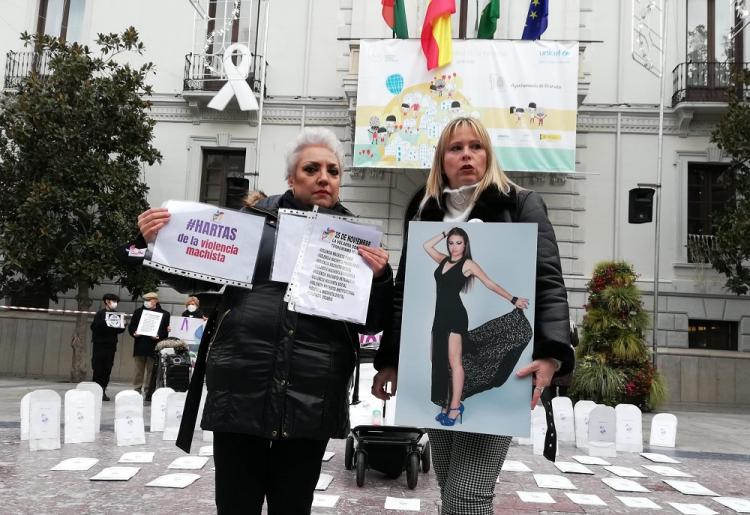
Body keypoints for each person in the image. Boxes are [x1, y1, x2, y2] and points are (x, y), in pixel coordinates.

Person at [129, 127, 392, 515]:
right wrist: (153, 241)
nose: (324, 177)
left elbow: (370, 324)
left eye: (333, 171)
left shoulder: (360, 244)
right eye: (312, 168)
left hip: (312, 393)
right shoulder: (249, 223)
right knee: (236, 504)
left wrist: (382, 280)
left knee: (293, 505)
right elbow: (191, 275)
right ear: (291, 177)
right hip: (242, 385)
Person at [371, 116, 574, 515]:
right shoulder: (424, 208)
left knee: (469, 493)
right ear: (441, 159)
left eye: (475, 146)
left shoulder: (519, 203)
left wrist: (552, 353)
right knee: (450, 488)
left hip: (488, 352)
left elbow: (548, 282)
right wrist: (392, 361)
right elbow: (405, 293)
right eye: (455, 147)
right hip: (434, 340)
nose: (466, 154)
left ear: (488, 154)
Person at [423, 227, 530, 426]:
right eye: (451, 243)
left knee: (455, 362)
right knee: (436, 358)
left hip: (455, 316)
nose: (454, 247)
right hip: (439, 317)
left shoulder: (468, 264)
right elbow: (426, 246)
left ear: (465, 245)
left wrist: (513, 299)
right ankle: (447, 402)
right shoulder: (444, 260)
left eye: (458, 243)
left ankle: (454, 407)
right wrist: (445, 232)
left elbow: (490, 283)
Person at [127, 291, 170, 398]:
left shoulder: (165, 314)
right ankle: (137, 390)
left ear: (155, 301)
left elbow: (165, 331)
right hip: (140, 345)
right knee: (138, 371)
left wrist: (158, 336)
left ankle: (149, 391)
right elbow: (132, 327)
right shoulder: (138, 312)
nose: (146, 302)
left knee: (152, 371)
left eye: (149, 300)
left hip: (154, 346)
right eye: (145, 300)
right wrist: (134, 333)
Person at [90, 293, 125, 401]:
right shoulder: (100, 314)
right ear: (106, 301)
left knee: (107, 368)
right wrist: (105, 322)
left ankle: (103, 390)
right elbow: (94, 327)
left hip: (111, 345)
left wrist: (123, 325)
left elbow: (118, 330)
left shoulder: (116, 314)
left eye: (116, 302)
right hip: (99, 345)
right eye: (113, 301)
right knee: (98, 368)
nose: (115, 304)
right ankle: (96, 391)